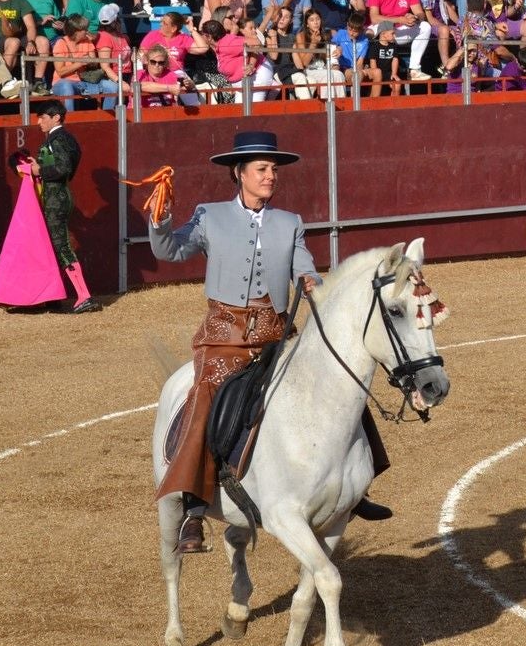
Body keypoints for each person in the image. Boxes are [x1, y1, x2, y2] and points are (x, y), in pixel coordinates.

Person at [147, 130, 392, 552]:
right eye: (262, 169)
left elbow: (305, 268)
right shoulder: (210, 217)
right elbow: (171, 250)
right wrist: (160, 220)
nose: (271, 176)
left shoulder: (289, 222)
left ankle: (355, 488)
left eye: (274, 169)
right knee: (206, 397)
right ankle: (192, 503)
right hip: (225, 337)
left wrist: (315, 285)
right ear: (239, 174)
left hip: (277, 334)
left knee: (340, 382)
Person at [25, 99, 99, 314]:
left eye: (43, 118)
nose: (39, 122)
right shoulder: (64, 138)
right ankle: (53, 295)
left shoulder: (56, 140)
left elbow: (63, 168)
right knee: (52, 245)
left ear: (56, 117)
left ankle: (84, 296)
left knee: (60, 246)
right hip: (57, 195)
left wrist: (39, 171)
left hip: (55, 197)